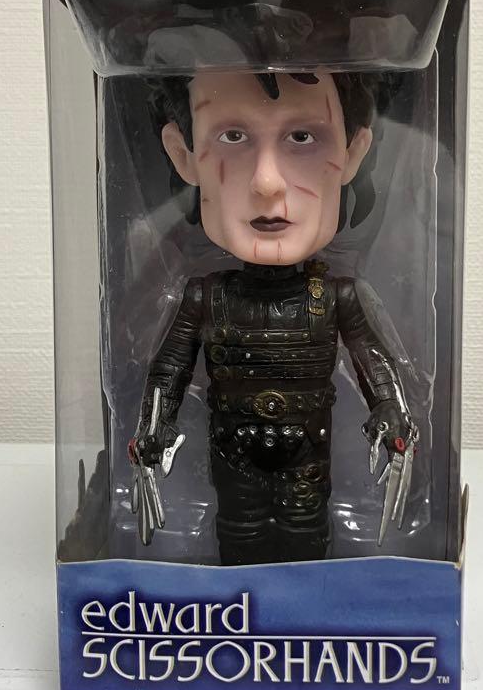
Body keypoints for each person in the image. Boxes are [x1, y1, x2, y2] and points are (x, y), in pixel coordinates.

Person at [129, 70, 419, 564]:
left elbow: (373, 360)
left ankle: (296, 607)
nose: (267, 183)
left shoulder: (335, 297)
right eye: (232, 136)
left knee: (305, 537)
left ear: (353, 152)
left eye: (302, 137)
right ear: (182, 154)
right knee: (239, 537)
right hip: (233, 449)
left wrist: (391, 410)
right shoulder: (206, 296)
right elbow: (169, 369)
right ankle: (244, 608)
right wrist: (153, 428)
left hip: (306, 451)